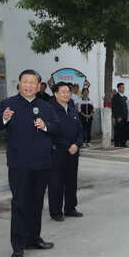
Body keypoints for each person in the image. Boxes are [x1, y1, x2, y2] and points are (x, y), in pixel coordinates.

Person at [0, 69, 59, 257]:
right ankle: (18, 246)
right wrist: (4, 117)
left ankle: (34, 239)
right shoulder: (9, 104)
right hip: (19, 164)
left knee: (37, 203)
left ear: (39, 86)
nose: (29, 85)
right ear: (19, 83)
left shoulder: (46, 106)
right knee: (20, 203)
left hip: (42, 163)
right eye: (25, 81)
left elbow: (57, 126)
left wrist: (45, 126)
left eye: (33, 82)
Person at [48, 82, 83, 221]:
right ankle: (55, 212)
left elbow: (80, 130)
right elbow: (51, 132)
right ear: (55, 94)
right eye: (63, 92)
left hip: (73, 152)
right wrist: (67, 145)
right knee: (56, 182)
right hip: (58, 151)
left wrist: (77, 144)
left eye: (68, 92)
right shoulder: (50, 110)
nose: (66, 94)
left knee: (71, 181)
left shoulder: (73, 109)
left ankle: (70, 208)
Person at [112, 83, 128, 147]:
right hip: (119, 117)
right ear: (118, 88)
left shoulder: (124, 97)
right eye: (121, 87)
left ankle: (123, 143)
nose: (123, 89)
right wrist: (118, 116)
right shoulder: (116, 97)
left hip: (124, 117)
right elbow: (115, 108)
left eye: (123, 87)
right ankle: (117, 144)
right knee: (118, 131)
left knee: (124, 131)